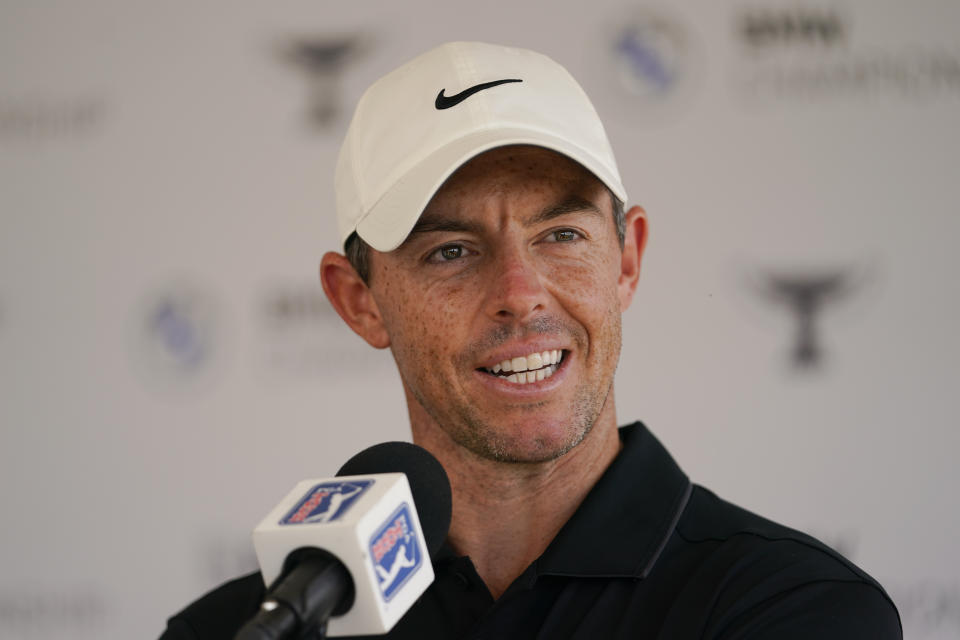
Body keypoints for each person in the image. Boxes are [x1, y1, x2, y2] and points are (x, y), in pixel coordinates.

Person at [160, 41, 901, 639]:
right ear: (360, 303)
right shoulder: (243, 630)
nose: (520, 292)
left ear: (627, 261)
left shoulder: (793, 608)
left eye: (562, 234)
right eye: (451, 250)